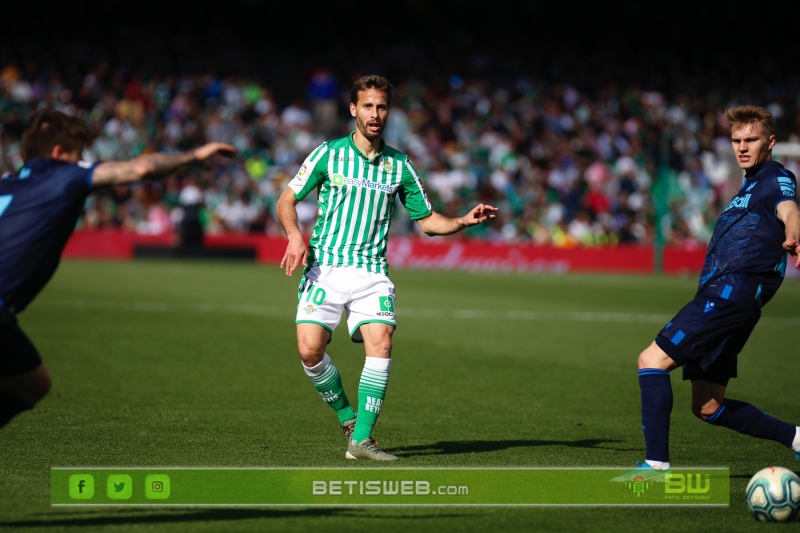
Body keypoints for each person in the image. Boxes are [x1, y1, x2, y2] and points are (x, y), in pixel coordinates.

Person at [277, 75, 497, 461]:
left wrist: (462, 220)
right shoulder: (328, 154)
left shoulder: (400, 166)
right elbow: (286, 200)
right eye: (367, 106)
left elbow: (427, 221)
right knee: (310, 351)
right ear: (353, 109)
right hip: (324, 268)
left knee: (381, 343)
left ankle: (361, 440)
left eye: (381, 107)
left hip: (371, 273)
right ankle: (347, 417)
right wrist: (295, 235)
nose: (375, 114)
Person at [0, 109, 236, 429]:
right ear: (57, 154)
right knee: (32, 385)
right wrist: (194, 155)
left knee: (35, 383)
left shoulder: (8, 185)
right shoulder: (64, 175)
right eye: (78, 155)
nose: (82, 162)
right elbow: (139, 168)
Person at [624, 105, 800, 479]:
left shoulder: (775, 177)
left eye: (750, 139)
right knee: (707, 406)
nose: (742, 147)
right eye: (736, 140)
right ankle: (798, 439)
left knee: (651, 361)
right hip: (735, 300)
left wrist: (794, 234)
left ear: (770, 142)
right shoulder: (749, 184)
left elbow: (789, 209)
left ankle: (655, 468)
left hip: (728, 295)